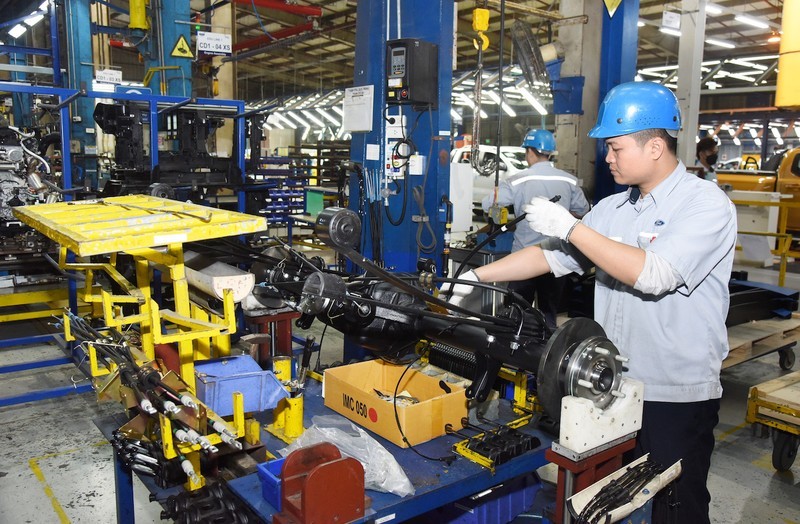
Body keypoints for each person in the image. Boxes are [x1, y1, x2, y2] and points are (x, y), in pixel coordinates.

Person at [449, 81, 737, 524]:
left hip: (673, 394)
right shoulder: (612, 209)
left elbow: (653, 273)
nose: (608, 158)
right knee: (610, 503)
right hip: (610, 385)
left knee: (673, 506)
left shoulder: (705, 205)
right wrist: (476, 275)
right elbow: (549, 255)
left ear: (656, 146)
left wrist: (571, 227)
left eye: (617, 148)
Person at [481, 129, 590, 329]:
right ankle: (546, 351)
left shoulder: (517, 180)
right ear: (550, 153)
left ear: (530, 151)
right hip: (556, 258)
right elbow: (583, 211)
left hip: (523, 259)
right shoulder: (569, 180)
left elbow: (488, 204)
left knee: (515, 313)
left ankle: (515, 350)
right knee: (549, 312)